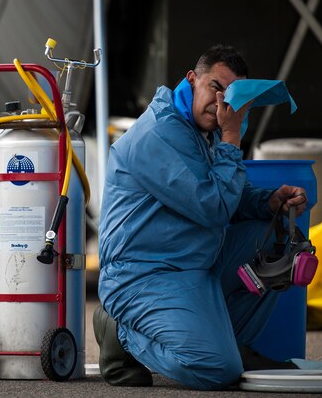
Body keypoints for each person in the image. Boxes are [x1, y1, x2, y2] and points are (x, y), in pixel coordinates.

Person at [94, 44, 308, 390]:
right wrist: (232, 135)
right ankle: (121, 332)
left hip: (193, 266)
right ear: (192, 80)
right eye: (216, 87)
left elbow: (228, 197)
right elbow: (213, 207)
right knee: (218, 370)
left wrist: (270, 202)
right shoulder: (161, 133)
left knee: (278, 240)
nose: (223, 102)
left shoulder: (199, 131)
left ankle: (223, 341)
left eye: (234, 94)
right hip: (144, 275)